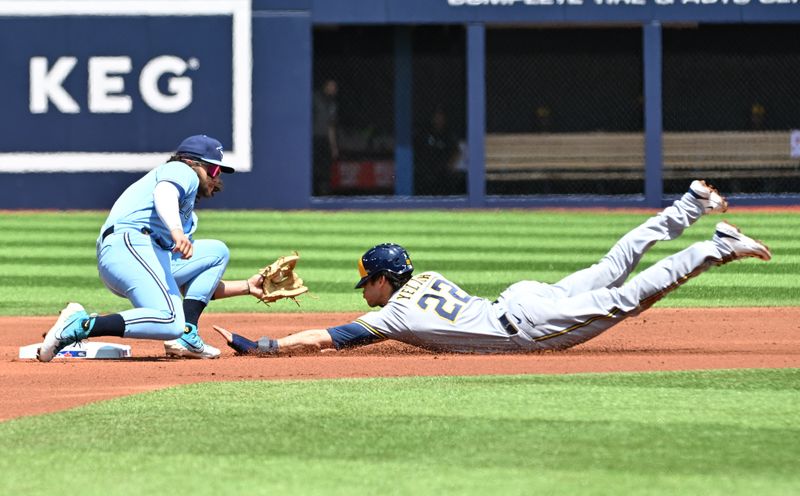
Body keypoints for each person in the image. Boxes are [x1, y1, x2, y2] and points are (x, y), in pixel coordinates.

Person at [213, 180, 771, 356]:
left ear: (384, 279)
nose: (365, 292)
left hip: (529, 321)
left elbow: (325, 338)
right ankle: (689, 206)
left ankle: (714, 246)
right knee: (614, 263)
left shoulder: (391, 320)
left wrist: (263, 345)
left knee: (626, 296)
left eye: (368, 282)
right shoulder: (426, 276)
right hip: (521, 301)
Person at [38, 134, 274, 362]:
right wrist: (176, 231)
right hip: (130, 244)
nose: (217, 177)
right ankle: (81, 325)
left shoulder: (188, 218)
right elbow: (165, 192)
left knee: (216, 252)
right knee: (171, 322)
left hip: (144, 254)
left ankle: (185, 337)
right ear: (192, 163)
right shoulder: (181, 170)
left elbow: (190, 285)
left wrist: (247, 287)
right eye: (213, 170)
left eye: (219, 171)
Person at [414, 106, 465, 196]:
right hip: (426, 169)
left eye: (440, 117)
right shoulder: (425, 132)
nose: (438, 119)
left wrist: (450, 165)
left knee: (454, 178)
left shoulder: (448, 134)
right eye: (436, 117)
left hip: (443, 170)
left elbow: (456, 151)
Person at [312, 79, 340, 196]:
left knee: (325, 167)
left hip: (324, 139)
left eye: (334, 87)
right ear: (325, 87)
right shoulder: (315, 99)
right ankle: (312, 189)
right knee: (314, 165)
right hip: (313, 138)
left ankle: (323, 192)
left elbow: (331, 127)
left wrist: (333, 146)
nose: (332, 89)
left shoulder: (333, 105)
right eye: (330, 86)